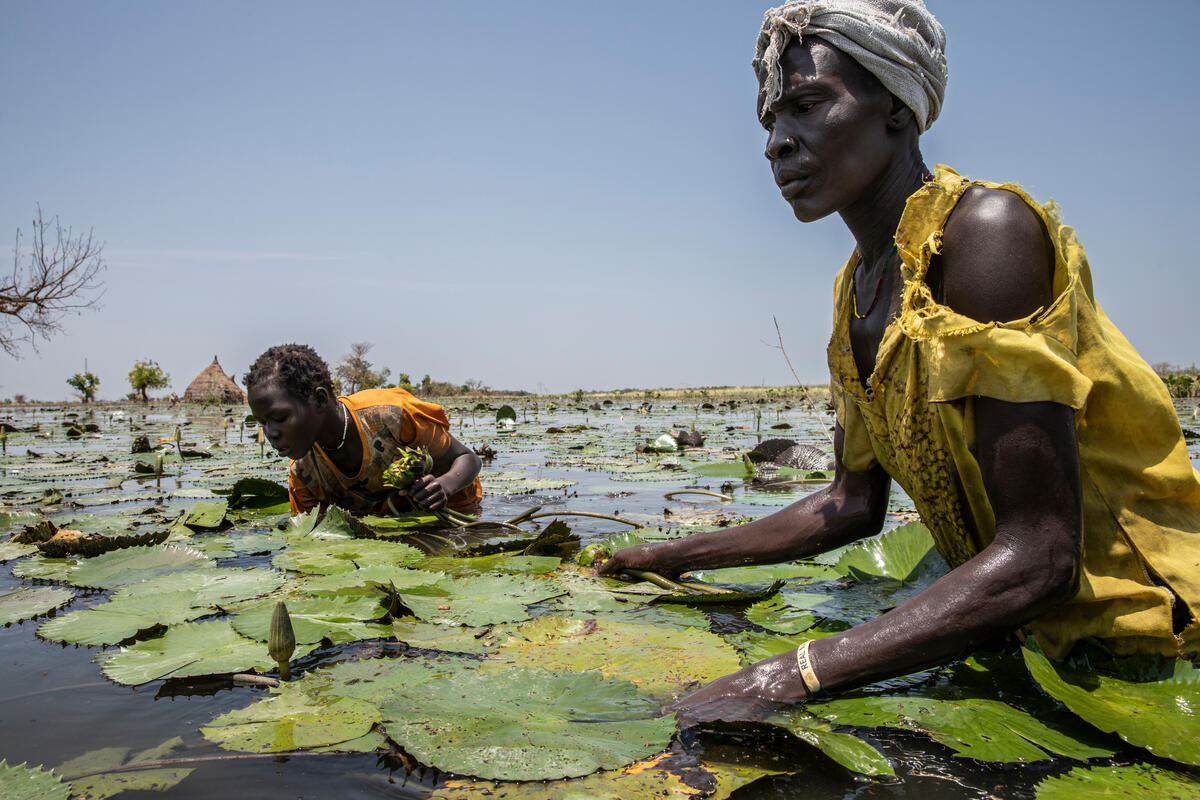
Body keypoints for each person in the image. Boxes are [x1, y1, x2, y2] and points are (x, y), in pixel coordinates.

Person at [600, 0, 1200, 720]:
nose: (776, 144)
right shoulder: (857, 288)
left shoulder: (985, 236)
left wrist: (796, 671)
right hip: (1019, 639)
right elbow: (850, 504)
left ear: (896, 109)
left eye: (807, 105)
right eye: (770, 121)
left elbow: (1042, 554)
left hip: (1148, 656)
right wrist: (674, 555)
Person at [245, 344, 482, 517]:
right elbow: (311, 536)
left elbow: (468, 459)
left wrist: (445, 486)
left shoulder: (392, 416)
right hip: (390, 523)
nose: (270, 433)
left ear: (319, 400)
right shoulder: (304, 474)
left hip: (455, 512)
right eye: (262, 423)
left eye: (279, 418)